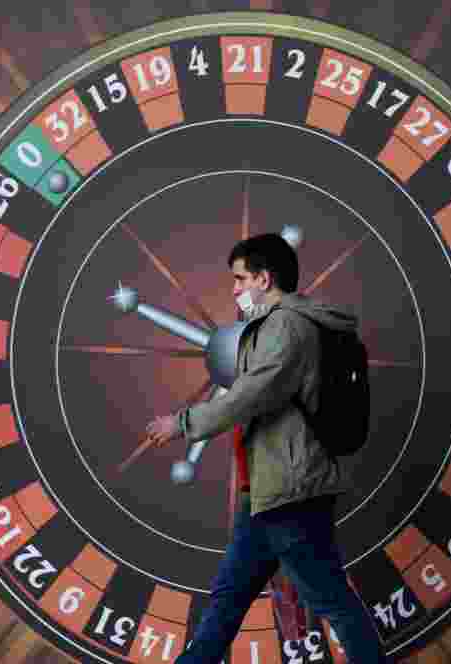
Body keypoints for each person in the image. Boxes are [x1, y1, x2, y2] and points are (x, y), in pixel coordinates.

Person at [145, 233, 388, 664]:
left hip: (291, 491)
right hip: (267, 491)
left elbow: (249, 396)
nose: (235, 290)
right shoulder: (284, 324)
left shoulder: (285, 325)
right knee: (228, 599)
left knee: (331, 600)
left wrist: (181, 424)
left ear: (264, 277)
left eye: (240, 280)